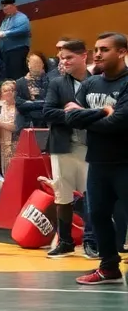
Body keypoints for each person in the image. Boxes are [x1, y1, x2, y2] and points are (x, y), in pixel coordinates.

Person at [64, 32, 128, 284]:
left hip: (125, 161)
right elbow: (70, 116)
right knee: (98, 215)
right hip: (99, 162)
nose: (98, 54)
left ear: (122, 52)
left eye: (105, 49)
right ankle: (109, 267)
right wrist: (103, 111)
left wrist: (88, 117)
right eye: (96, 49)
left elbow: (120, 122)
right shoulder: (91, 84)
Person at [41, 38, 89, 258]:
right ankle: (65, 241)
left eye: (69, 57)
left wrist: (81, 113)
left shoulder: (98, 81)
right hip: (62, 145)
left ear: (83, 56)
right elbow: (48, 112)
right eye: (61, 58)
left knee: (92, 195)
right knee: (62, 196)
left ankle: (91, 240)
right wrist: (74, 114)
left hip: (91, 146)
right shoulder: (57, 83)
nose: (64, 62)